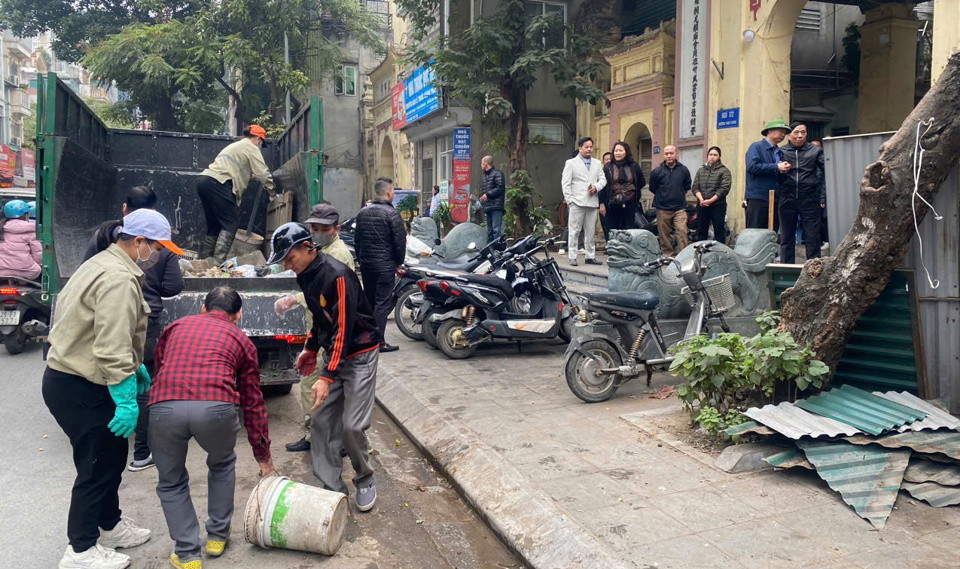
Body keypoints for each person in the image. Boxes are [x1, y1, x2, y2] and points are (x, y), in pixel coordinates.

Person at [42, 208, 183, 569]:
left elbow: (97, 328)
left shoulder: (103, 262)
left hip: (79, 377)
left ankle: (109, 525)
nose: (161, 256)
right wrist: (125, 395)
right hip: (81, 384)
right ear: (138, 242)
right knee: (96, 465)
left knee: (110, 457)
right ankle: (80, 549)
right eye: (159, 248)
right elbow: (111, 345)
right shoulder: (119, 279)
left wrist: (135, 367)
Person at [148, 286, 273, 569]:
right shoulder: (242, 341)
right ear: (237, 315)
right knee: (221, 464)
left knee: (171, 480)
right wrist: (262, 453)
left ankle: (188, 554)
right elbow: (253, 400)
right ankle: (217, 536)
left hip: (165, 406)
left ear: (203, 308)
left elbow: (160, 367)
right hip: (216, 408)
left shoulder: (175, 327)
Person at [268, 222, 381, 511]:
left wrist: (327, 376)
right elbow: (321, 319)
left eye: (289, 258)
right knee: (320, 421)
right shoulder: (305, 275)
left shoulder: (338, 274)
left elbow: (343, 328)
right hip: (335, 354)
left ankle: (365, 477)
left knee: (352, 425)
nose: (288, 265)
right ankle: (333, 489)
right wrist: (309, 348)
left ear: (307, 247)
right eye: (284, 262)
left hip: (360, 354)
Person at [83, 186, 185, 474]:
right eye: (155, 249)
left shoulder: (103, 244)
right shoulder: (123, 279)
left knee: (114, 379)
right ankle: (141, 451)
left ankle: (108, 442)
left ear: (126, 208)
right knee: (141, 391)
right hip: (142, 325)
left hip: (107, 325)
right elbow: (174, 286)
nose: (156, 253)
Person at [275, 203, 357, 454]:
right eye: (314, 228)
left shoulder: (338, 258)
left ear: (336, 229)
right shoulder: (317, 253)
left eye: (324, 229)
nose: (318, 232)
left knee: (323, 388)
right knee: (312, 386)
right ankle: (316, 436)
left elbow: (340, 307)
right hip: (319, 331)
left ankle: (335, 440)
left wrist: (294, 299)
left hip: (333, 336)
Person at [195, 125, 276, 264]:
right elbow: (263, 173)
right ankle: (217, 263)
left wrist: (257, 178)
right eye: (261, 143)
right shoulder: (251, 147)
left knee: (214, 225)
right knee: (231, 224)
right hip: (219, 183)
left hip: (204, 181)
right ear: (258, 138)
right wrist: (273, 193)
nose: (260, 146)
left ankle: (206, 263)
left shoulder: (236, 146)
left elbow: (244, 174)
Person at [354, 177, 405, 353]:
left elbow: (357, 241)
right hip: (385, 266)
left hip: (367, 265)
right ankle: (379, 341)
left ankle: (367, 339)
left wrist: (362, 261)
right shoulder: (392, 214)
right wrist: (399, 262)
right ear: (390, 192)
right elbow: (399, 242)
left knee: (369, 301)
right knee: (382, 303)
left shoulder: (363, 213)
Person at [777, 121, 825, 263]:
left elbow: (826, 173)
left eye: (803, 132)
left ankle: (814, 270)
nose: (800, 136)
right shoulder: (782, 151)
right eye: (796, 132)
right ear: (789, 135)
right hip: (787, 198)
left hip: (809, 198)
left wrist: (822, 196)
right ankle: (786, 269)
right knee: (786, 237)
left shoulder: (815, 151)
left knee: (812, 236)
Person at [561, 137, 607, 266]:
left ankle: (590, 256)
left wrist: (596, 187)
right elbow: (566, 183)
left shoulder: (597, 163)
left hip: (592, 201)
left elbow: (603, 180)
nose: (589, 149)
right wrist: (570, 200)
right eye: (586, 147)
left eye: (591, 147)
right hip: (577, 201)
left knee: (590, 230)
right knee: (574, 230)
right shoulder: (571, 163)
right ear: (580, 148)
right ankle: (572, 255)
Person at [745, 119, 792, 229]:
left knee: (771, 232)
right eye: (781, 131)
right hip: (758, 198)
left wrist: (784, 169)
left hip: (774, 198)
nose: (783, 135)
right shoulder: (756, 147)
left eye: (785, 133)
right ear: (770, 131)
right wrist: (776, 166)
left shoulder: (779, 152)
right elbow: (752, 167)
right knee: (755, 233)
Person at [648, 145, 692, 256]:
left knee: (682, 231)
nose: (669, 156)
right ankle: (668, 254)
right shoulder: (657, 171)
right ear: (663, 155)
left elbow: (687, 186)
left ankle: (683, 255)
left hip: (679, 208)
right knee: (664, 234)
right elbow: (653, 187)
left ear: (676, 154)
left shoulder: (683, 170)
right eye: (666, 154)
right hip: (662, 207)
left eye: (671, 153)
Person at [600, 141, 646, 232]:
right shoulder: (608, 167)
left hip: (630, 203)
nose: (618, 153)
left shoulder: (634, 166)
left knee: (629, 231)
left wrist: (630, 191)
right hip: (612, 204)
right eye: (616, 151)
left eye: (620, 150)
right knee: (613, 231)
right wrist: (601, 204)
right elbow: (603, 186)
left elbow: (641, 182)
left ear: (626, 152)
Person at [692, 146, 733, 244]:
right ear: (707, 156)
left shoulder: (724, 171)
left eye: (715, 155)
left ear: (719, 157)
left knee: (719, 230)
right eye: (710, 155)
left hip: (717, 205)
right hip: (702, 205)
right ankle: (701, 254)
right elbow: (695, 187)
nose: (712, 157)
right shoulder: (701, 170)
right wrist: (701, 199)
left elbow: (724, 189)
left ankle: (720, 253)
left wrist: (710, 200)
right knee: (701, 230)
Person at [0, 199, 42, 280]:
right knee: (37, 271)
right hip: (27, 272)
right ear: (24, 215)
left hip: (1, 272)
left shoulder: (2, 228)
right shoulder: (31, 230)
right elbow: (38, 255)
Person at [479, 156, 506, 243]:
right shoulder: (484, 177)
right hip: (488, 206)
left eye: (482, 163)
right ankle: (490, 250)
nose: (481, 165)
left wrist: (487, 195)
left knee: (496, 229)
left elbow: (500, 188)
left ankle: (497, 250)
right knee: (489, 231)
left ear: (486, 164)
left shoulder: (498, 174)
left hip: (496, 206)